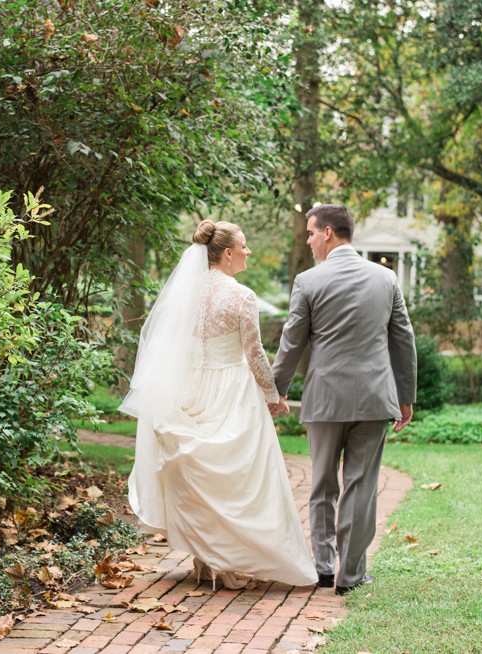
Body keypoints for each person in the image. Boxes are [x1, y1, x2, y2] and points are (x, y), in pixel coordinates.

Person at [120, 220, 317, 590]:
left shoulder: (185, 294)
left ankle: (203, 558)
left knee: (196, 473)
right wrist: (273, 396)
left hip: (191, 386)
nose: (248, 252)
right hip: (231, 388)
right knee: (237, 479)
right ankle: (227, 563)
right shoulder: (240, 295)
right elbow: (255, 354)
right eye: (244, 246)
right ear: (227, 254)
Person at [270, 203, 416, 596]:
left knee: (321, 484)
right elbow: (403, 340)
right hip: (374, 397)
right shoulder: (386, 279)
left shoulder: (308, 281)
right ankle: (350, 575)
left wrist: (276, 389)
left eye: (311, 233)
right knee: (361, 485)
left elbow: (292, 343)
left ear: (329, 233)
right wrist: (406, 396)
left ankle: (322, 568)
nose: (308, 240)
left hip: (325, 399)